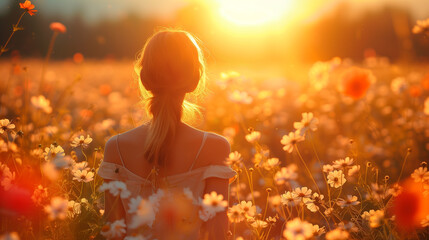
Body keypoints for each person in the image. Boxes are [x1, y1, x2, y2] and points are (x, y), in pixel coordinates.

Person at [97, 29, 236, 240]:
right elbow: (216, 234)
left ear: (144, 79)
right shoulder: (215, 148)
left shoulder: (115, 148)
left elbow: (113, 232)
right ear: (195, 79)